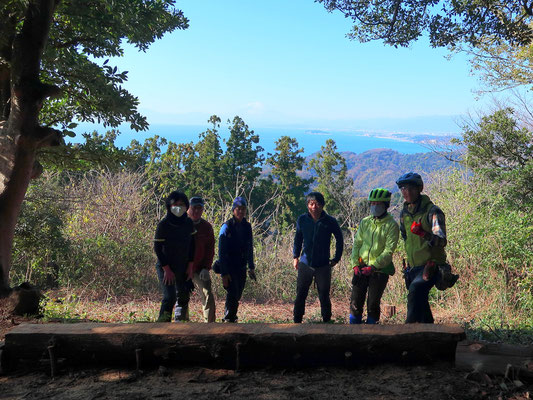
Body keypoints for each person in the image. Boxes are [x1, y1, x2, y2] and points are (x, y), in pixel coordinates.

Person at [397, 172, 448, 323]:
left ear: (420, 188)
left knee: (415, 292)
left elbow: (442, 240)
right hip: (413, 268)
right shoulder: (404, 214)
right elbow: (405, 236)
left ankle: (408, 334)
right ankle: (431, 335)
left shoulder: (432, 211)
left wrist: (424, 234)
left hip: (431, 265)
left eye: (411, 188)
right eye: (404, 189)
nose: (407, 192)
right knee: (421, 302)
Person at [349, 188, 399, 324]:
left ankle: (371, 334)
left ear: (385, 206)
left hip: (380, 270)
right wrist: (354, 263)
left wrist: (373, 266)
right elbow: (357, 244)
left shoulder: (391, 225)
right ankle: (353, 332)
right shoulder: (365, 222)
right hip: (361, 267)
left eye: (378, 204)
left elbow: (389, 251)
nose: (374, 207)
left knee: (372, 304)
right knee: (355, 303)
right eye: (372, 204)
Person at [293, 192, 343, 323]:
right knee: (301, 293)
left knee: (324, 294)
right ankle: (297, 320)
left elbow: (339, 239)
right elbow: (298, 239)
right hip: (305, 263)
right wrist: (295, 256)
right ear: (307, 205)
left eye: (317, 204)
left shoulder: (330, 221)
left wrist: (336, 258)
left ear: (322, 205)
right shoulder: (302, 220)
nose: (314, 207)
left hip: (323, 264)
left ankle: (326, 321)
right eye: (311, 204)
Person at [153, 191, 196, 322]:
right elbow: (158, 249)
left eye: (182, 204)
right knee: (169, 297)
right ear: (169, 206)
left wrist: (190, 266)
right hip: (166, 266)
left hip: (183, 265)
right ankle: (162, 326)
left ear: (187, 206)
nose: (178, 207)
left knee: (183, 296)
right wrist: (166, 270)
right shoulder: (164, 225)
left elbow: (193, 245)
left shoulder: (188, 223)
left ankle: (181, 325)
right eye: (175, 204)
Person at [218, 196, 256, 322]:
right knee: (232, 293)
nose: (241, 211)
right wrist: (224, 273)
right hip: (229, 267)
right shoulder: (226, 227)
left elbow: (249, 247)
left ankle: (232, 318)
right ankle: (228, 319)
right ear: (234, 210)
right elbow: (221, 252)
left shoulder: (247, 226)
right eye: (238, 209)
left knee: (237, 294)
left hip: (241, 267)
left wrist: (251, 267)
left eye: (243, 209)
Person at [186, 196, 216, 323]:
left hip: (200, 268)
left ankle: (209, 326)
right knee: (181, 296)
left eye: (200, 208)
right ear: (188, 208)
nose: (197, 211)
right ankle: (182, 323)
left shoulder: (206, 227)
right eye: (194, 208)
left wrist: (206, 268)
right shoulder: (181, 224)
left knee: (207, 294)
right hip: (183, 268)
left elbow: (210, 249)